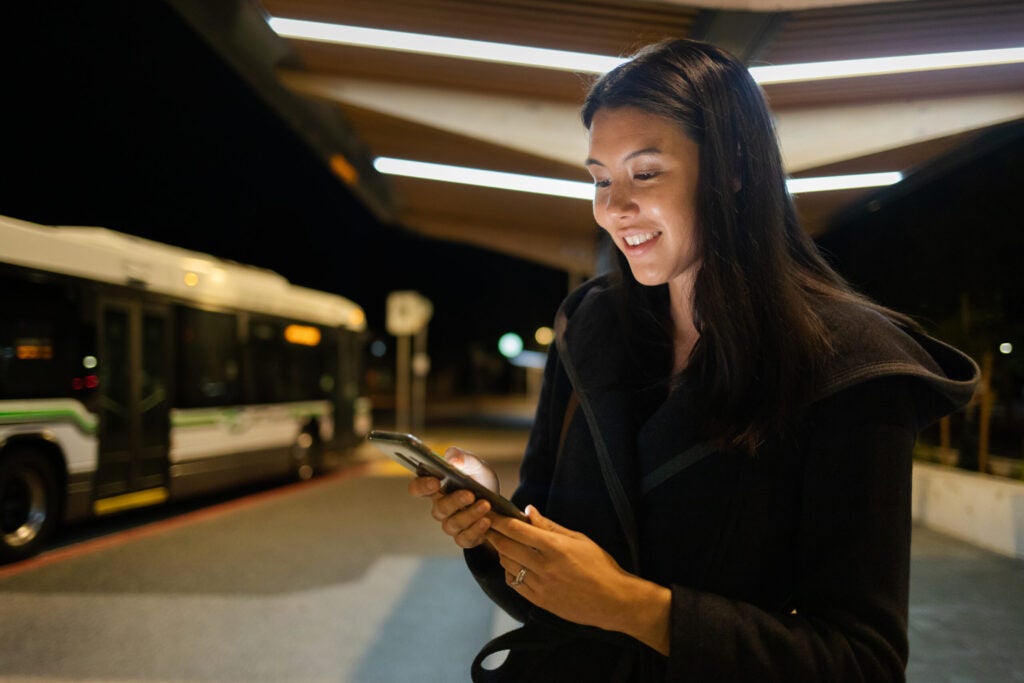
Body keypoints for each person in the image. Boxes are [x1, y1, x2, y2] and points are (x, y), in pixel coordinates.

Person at [409, 38, 979, 682]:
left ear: (733, 167)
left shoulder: (848, 367)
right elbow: (549, 590)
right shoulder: (588, 328)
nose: (613, 207)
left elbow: (863, 660)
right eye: (600, 179)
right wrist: (491, 524)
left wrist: (632, 606)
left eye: (646, 173)